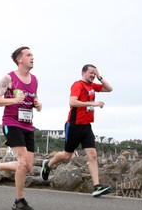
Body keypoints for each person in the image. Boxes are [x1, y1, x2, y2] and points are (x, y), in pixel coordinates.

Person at [40, 64, 113, 197]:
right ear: (83, 73)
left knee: (93, 155)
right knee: (67, 155)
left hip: (86, 126)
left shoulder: (93, 86)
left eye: (94, 73)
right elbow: (72, 102)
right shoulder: (77, 85)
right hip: (74, 125)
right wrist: (92, 103)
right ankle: (48, 164)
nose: (93, 75)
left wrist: (100, 76)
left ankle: (96, 187)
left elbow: (109, 89)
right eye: (91, 73)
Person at [0, 46, 42, 210]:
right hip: (11, 123)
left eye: (32, 55)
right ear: (20, 59)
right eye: (29, 55)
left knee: (27, 166)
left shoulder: (34, 80)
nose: (32, 57)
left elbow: (33, 98)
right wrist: (13, 101)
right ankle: (19, 200)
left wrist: (37, 104)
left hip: (28, 125)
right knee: (23, 161)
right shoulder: (9, 78)